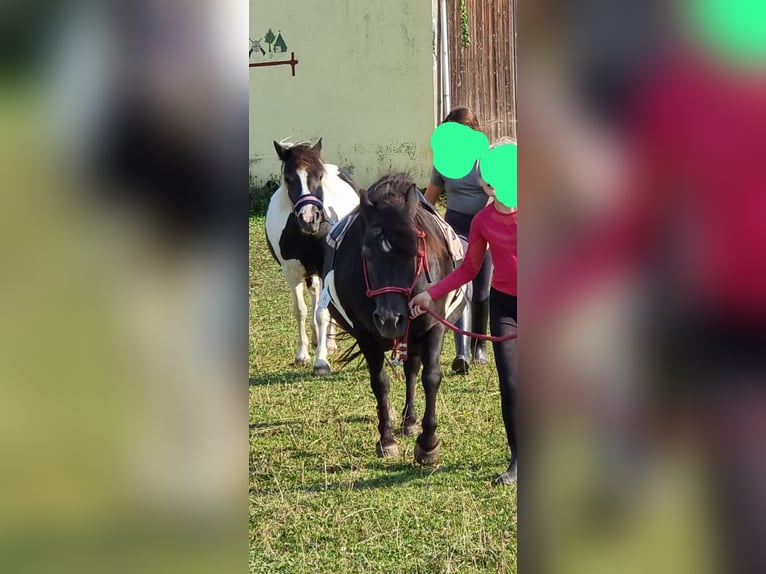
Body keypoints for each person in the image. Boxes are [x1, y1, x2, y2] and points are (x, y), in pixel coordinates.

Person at [411, 149, 518, 485]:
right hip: (506, 308)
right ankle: (520, 459)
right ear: (486, 184)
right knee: (512, 383)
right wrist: (431, 293)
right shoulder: (482, 222)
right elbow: (470, 269)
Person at [425, 107, 492, 374]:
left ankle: (479, 347)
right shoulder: (443, 161)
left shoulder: (484, 160)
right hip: (456, 228)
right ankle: (462, 353)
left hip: (484, 228)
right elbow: (429, 198)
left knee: (483, 289)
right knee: (463, 286)